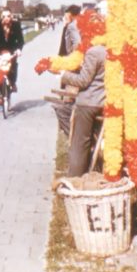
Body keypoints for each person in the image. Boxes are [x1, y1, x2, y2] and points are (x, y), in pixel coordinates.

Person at [59, 44, 106, 177]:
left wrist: (64, 75)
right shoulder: (111, 49)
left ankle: (75, 178)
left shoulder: (94, 52)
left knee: (79, 144)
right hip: (103, 103)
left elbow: (83, 81)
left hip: (88, 104)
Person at [0, 8, 24, 104]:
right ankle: (1, 94)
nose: (6, 18)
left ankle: (13, 82)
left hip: (12, 50)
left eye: (8, 16)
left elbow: (20, 40)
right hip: (0, 51)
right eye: (4, 16)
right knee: (1, 72)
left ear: (11, 16)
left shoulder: (16, 25)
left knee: (13, 68)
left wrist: (19, 49)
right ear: (1, 17)